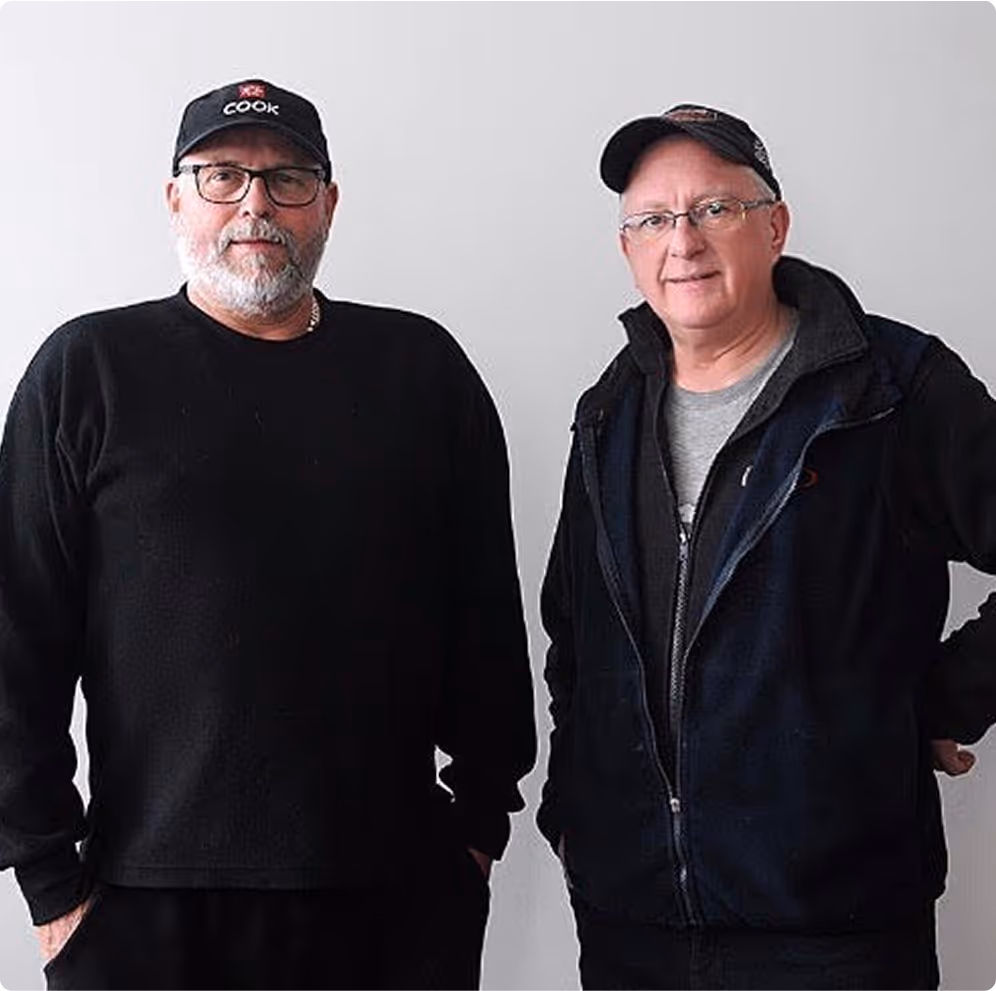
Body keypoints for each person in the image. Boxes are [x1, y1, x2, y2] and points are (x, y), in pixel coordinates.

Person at [0, 78, 536, 991]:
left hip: (396, 902)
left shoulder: (422, 372)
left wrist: (478, 830)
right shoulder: (86, 372)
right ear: (176, 197)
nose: (255, 203)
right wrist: (52, 884)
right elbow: (16, 642)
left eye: (287, 178)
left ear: (328, 203)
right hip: (144, 907)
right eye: (221, 176)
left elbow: (486, 616)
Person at [538, 103, 994, 991]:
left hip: (835, 930)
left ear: (775, 226)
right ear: (628, 248)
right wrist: (575, 811)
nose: (684, 242)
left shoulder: (892, 391)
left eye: (715, 209)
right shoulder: (609, 413)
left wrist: (944, 698)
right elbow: (576, 637)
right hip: (635, 925)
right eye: (653, 219)